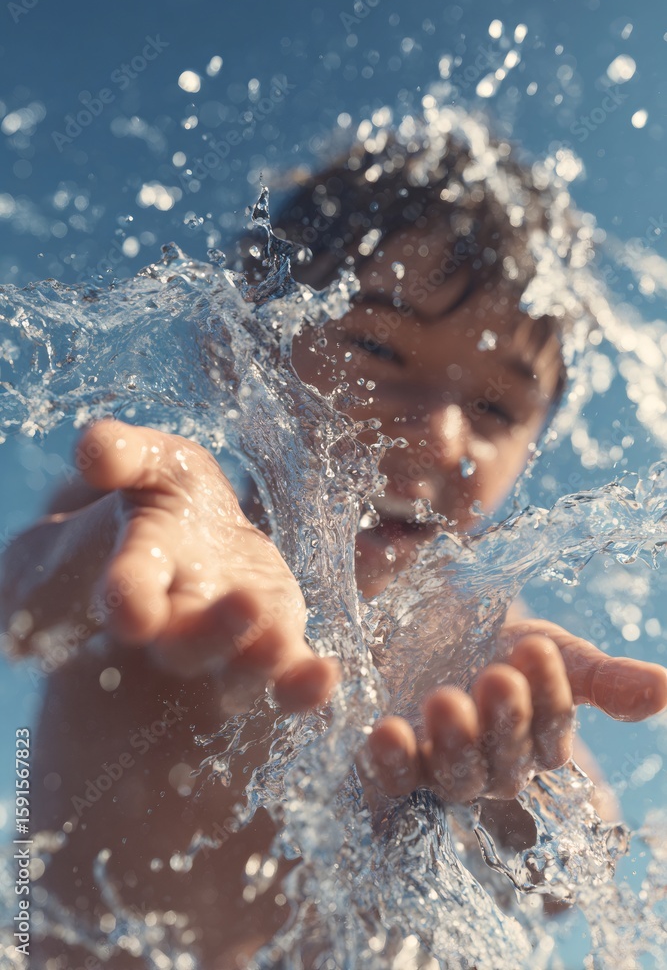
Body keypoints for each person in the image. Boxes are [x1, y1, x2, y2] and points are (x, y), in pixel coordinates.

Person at [2, 122, 666, 969]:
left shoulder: (471, 629)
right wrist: (114, 542)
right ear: (237, 356)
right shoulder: (158, 513)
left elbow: (563, 883)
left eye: (496, 410)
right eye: (378, 350)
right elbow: (19, 604)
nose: (438, 435)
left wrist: (521, 779)